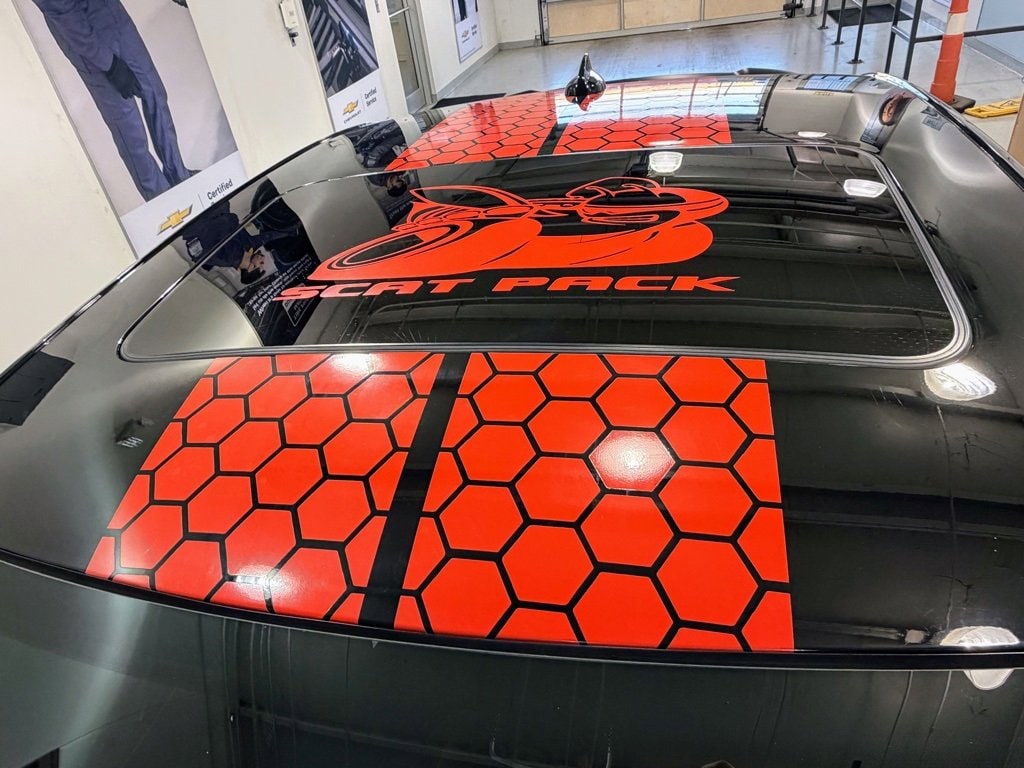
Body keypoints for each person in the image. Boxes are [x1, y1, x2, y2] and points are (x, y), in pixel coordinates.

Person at [32, 0, 192, 202]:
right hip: (87, 39)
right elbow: (65, 17)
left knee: (155, 95)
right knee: (129, 128)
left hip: (115, 19)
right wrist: (109, 64)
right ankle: (160, 197)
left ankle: (179, 176)